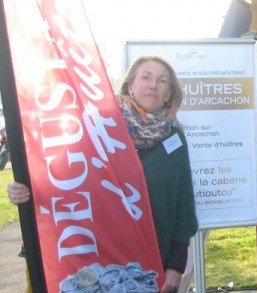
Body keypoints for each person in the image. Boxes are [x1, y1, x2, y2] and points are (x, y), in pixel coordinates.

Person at [7, 55, 199, 293]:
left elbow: (184, 208)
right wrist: (25, 190)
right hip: (99, 260)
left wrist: (175, 266)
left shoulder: (175, 140)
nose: (153, 85)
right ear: (131, 85)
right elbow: (61, 177)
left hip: (150, 266)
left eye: (162, 81)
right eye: (146, 77)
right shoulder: (99, 129)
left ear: (169, 93)